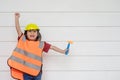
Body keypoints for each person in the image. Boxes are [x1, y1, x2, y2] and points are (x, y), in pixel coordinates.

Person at [7, 12, 68, 80]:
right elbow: (18, 29)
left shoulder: (41, 44)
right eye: (30, 31)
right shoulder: (23, 40)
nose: (32, 33)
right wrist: (16, 18)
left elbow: (53, 47)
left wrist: (62, 51)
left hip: (37, 73)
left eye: (34, 31)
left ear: (37, 33)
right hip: (25, 72)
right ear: (26, 33)